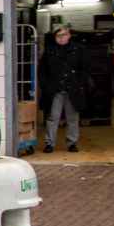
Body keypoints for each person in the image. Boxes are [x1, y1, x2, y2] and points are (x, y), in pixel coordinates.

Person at [39, 24, 89, 153]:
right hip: (54, 89)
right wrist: (45, 84)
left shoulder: (78, 49)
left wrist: (80, 84)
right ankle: (49, 143)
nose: (61, 38)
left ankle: (72, 143)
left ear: (69, 35)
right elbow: (42, 69)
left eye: (64, 35)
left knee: (72, 117)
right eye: (58, 35)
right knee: (52, 117)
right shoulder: (49, 50)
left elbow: (84, 69)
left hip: (72, 88)